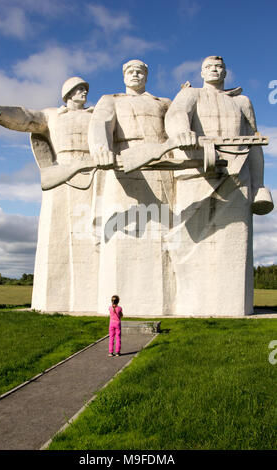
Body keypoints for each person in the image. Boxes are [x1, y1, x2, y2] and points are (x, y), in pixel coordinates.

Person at [164, 55, 274, 316]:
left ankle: (231, 306)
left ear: (225, 72)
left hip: (237, 176)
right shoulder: (192, 95)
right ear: (201, 72)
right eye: (209, 67)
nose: (214, 70)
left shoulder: (241, 101)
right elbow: (177, 114)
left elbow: (254, 145)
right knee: (189, 241)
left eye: (219, 67)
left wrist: (259, 185)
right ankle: (190, 305)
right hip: (197, 171)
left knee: (232, 244)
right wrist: (182, 131)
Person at [0, 77, 98, 312]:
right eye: (79, 89)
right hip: (62, 174)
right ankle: (52, 303)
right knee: (56, 234)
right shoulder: (52, 115)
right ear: (68, 94)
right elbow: (26, 117)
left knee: (93, 234)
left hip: (93, 172)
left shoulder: (96, 116)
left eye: (85, 89)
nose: (83, 92)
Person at [88, 59, 175, 316]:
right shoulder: (110, 100)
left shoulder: (163, 103)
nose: (135, 75)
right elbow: (99, 126)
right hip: (124, 164)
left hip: (160, 166)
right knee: (122, 233)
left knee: (163, 233)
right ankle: (119, 305)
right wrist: (102, 149)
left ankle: (161, 303)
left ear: (146, 76)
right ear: (123, 76)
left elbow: (175, 127)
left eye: (140, 71)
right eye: (130, 71)